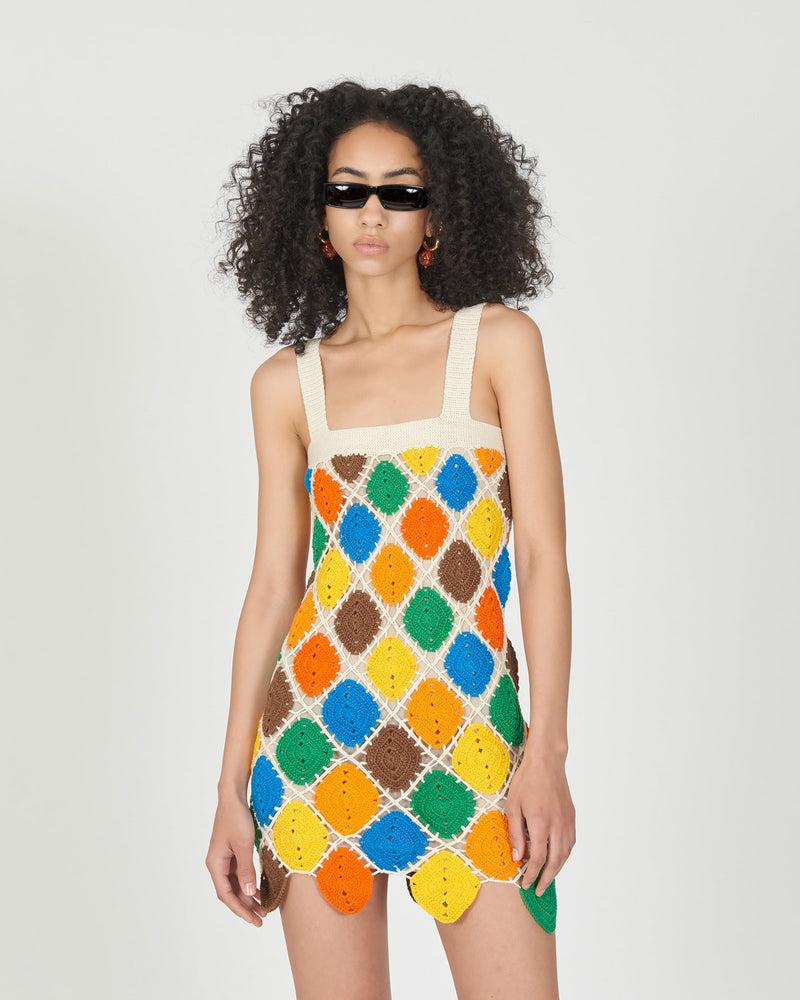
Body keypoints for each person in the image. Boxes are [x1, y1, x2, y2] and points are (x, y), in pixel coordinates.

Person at [206, 80, 575, 1000]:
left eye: (401, 192)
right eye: (349, 190)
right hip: (316, 737)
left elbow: (541, 559)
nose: (373, 213)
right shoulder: (286, 385)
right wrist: (228, 790)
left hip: (474, 733)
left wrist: (547, 754)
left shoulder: (499, 343)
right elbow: (273, 588)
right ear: (317, 215)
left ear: (436, 213)